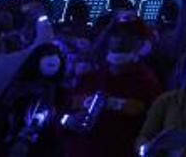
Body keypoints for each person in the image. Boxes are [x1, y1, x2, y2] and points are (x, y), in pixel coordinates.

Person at [62, 16, 164, 157]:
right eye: (115, 35)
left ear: (141, 44)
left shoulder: (148, 85)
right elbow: (62, 111)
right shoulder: (90, 77)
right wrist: (69, 121)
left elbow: (152, 130)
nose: (120, 41)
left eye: (128, 36)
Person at [2, 42, 67, 156]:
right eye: (47, 56)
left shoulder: (60, 91)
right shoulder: (20, 88)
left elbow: (58, 118)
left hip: (47, 147)